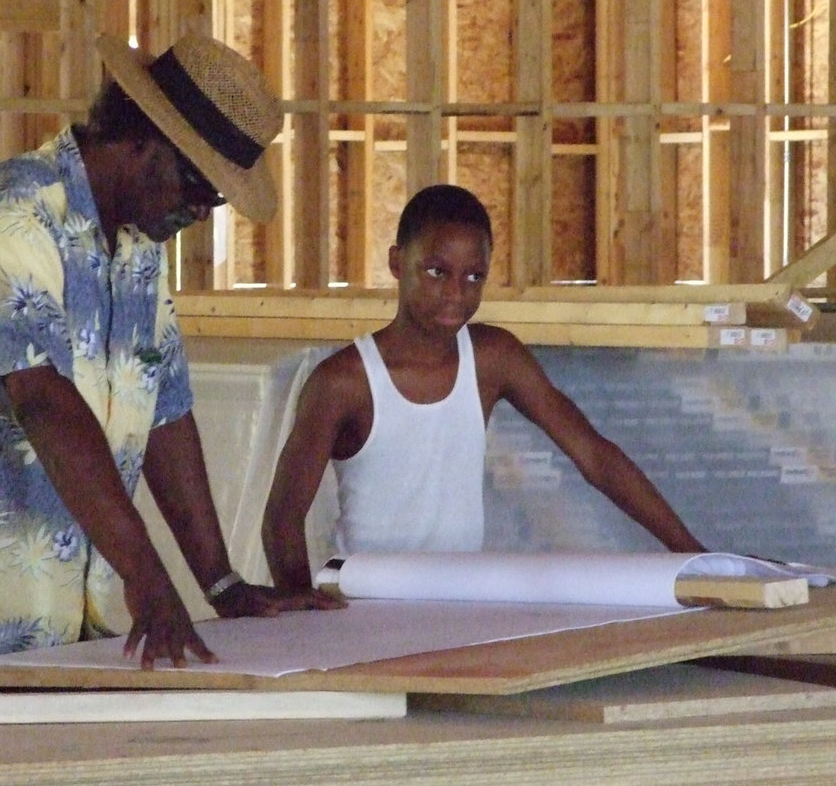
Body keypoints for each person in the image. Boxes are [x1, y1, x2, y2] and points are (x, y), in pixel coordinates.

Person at [0, 32, 329, 695]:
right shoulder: (11, 213)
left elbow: (166, 411)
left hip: (42, 605)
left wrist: (221, 583)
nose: (201, 214)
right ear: (144, 140)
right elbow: (43, 401)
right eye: (199, 187)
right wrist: (147, 576)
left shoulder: (139, 249)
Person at [261, 183, 707, 595]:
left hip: (461, 599)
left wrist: (694, 554)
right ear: (397, 263)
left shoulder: (493, 357)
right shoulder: (343, 382)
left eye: (474, 277)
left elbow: (594, 456)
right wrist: (304, 612)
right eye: (437, 271)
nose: (456, 293)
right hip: (365, 601)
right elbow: (282, 519)